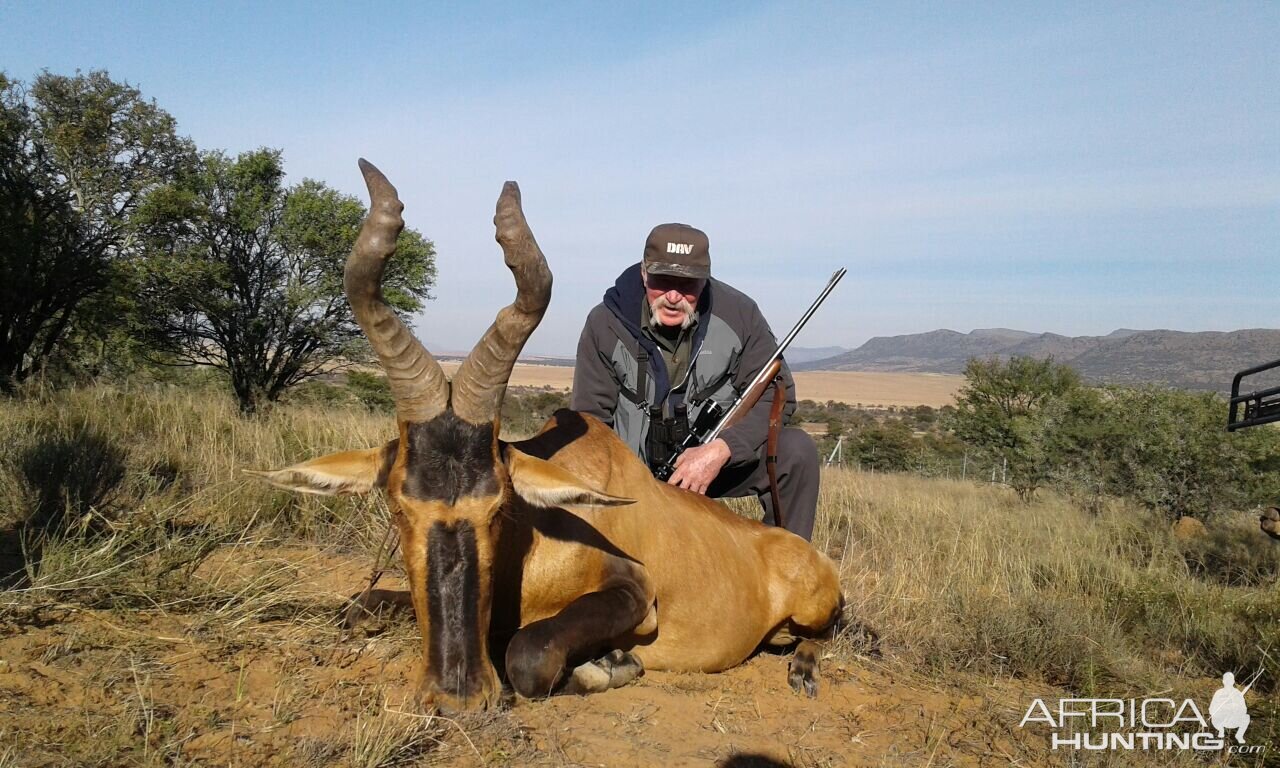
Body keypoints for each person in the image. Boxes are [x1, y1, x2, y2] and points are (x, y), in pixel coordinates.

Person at [571, 223, 820, 540]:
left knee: (796, 450)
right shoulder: (605, 322)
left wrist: (721, 450)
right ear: (644, 274)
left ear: (705, 280)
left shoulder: (741, 315)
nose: (673, 297)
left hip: (714, 465)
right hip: (632, 475)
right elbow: (588, 419)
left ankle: (790, 570)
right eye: (662, 281)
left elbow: (777, 397)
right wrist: (621, 482)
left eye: (687, 284)